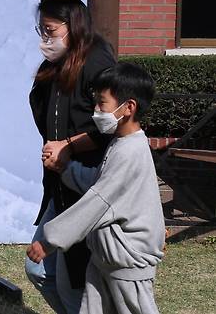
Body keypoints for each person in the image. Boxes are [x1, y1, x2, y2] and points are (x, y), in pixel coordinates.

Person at [27, 62, 165, 314]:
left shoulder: (129, 151)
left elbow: (97, 202)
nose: (96, 111)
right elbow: (99, 183)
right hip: (107, 257)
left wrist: (50, 240)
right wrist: (65, 168)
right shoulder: (121, 143)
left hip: (128, 260)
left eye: (102, 104)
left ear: (128, 107)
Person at [26, 0, 116, 314]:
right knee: (42, 271)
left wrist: (68, 145)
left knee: (72, 280)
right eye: (41, 29)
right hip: (60, 182)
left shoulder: (97, 62)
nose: (45, 38)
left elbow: (109, 125)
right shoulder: (57, 63)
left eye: (49, 30)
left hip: (84, 186)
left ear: (72, 26)